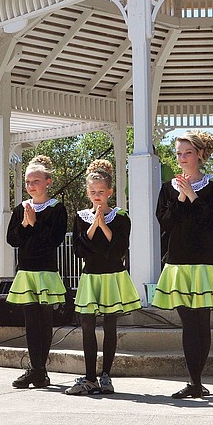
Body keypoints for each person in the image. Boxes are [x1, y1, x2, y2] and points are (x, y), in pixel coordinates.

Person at [152, 131, 213, 399]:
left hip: (204, 262)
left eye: (187, 153)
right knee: (187, 322)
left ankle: (198, 380)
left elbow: (210, 222)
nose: (182, 158)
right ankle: (193, 381)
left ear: (199, 154)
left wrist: (193, 196)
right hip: (178, 262)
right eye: (178, 153)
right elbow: (166, 224)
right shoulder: (166, 189)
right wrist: (182, 196)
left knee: (201, 321)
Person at [65, 160, 141, 396]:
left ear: (110, 192)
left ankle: (106, 376)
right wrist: (93, 226)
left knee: (110, 325)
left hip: (112, 276)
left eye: (101, 191)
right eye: (92, 192)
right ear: (88, 192)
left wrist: (103, 225)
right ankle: (89, 378)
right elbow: (79, 250)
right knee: (87, 325)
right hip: (91, 275)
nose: (97, 195)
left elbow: (117, 250)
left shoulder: (121, 217)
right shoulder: (81, 217)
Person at [6, 155, 68, 389]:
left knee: (45, 320)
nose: (31, 185)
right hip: (26, 271)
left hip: (46, 272)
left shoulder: (57, 209)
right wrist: (24, 224)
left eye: (36, 181)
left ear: (48, 182)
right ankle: (36, 369)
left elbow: (53, 240)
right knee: (31, 321)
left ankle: (40, 369)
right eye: (28, 181)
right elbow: (12, 239)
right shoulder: (19, 209)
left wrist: (35, 224)